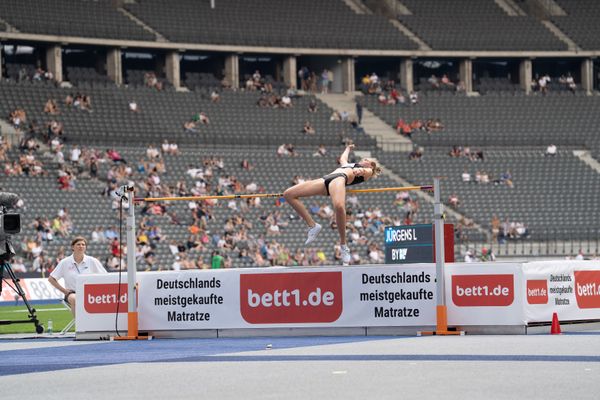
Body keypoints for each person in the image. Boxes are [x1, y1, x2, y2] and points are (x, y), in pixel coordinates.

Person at [283, 144, 381, 265]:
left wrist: (360, 170)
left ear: (371, 165)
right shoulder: (349, 165)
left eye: (366, 160)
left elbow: (364, 171)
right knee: (288, 194)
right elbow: (342, 159)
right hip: (325, 180)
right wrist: (348, 148)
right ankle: (312, 225)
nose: (363, 160)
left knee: (339, 207)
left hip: (340, 179)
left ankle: (343, 245)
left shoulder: (368, 171)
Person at [48, 236, 107, 316]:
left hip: (90, 293)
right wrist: (64, 291)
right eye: (78, 244)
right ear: (73, 247)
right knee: (75, 299)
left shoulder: (92, 261)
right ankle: (80, 326)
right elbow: (51, 279)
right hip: (72, 293)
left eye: (83, 244)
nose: (81, 246)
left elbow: (105, 277)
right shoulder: (65, 262)